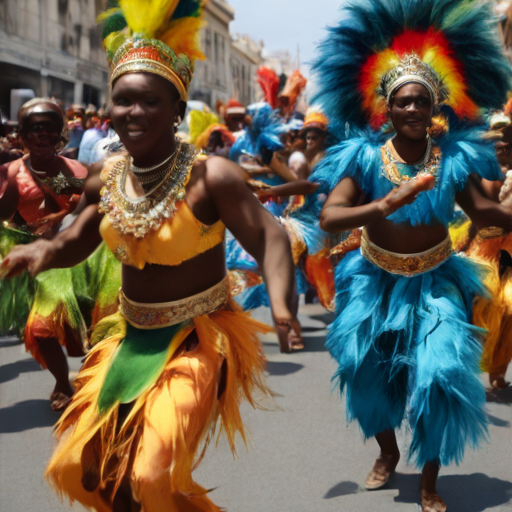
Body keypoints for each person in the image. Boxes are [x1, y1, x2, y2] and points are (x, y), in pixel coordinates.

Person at [2, 1, 300, 510]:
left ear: (177, 109)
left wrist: (282, 308)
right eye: (123, 101)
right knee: (92, 472)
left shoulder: (212, 178)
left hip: (196, 340)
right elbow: (80, 238)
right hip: (128, 337)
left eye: (150, 102)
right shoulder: (105, 175)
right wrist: (42, 252)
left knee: (150, 468)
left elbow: (269, 238)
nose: (133, 113)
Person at [310, 1, 512, 510]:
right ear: (388, 108)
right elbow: (331, 217)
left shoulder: (453, 159)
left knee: (440, 375)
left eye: (422, 102)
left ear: (434, 106)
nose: (413, 111)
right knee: (362, 370)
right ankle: (387, 451)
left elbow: (484, 210)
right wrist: (383, 204)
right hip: (374, 280)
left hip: (437, 280)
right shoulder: (363, 156)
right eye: (403, 102)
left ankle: (428, 480)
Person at [0, 98, 89, 410]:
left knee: (85, 325)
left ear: (59, 136)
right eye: (36, 130)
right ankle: (63, 381)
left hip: (73, 258)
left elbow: (93, 211)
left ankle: (91, 378)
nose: (43, 137)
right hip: (30, 264)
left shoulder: (76, 171)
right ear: (22, 135)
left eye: (50, 130)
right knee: (41, 329)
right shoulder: (11, 173)